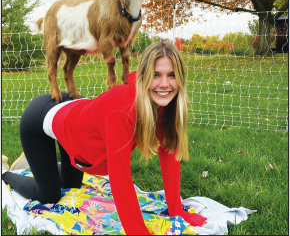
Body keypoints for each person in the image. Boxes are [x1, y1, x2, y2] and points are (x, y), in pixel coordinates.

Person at [1, 42, 206, 234]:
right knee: (49, 195)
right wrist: (138, 232)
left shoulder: (165, 106)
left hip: (75, 120)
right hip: (40, 117)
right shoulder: (123, 109)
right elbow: (120, 178)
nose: (164, 84)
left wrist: (177, 211)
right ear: (144, 76)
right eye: (156, 75)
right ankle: (5, 173)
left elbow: (169, 154)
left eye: (171, 75)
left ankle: (41, 165)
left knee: (71, 185)